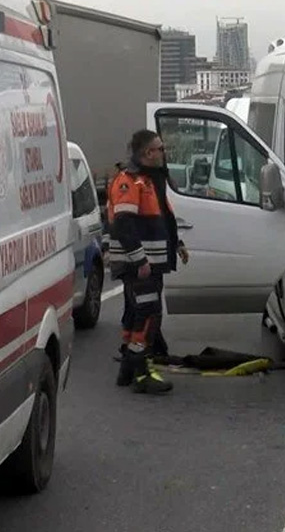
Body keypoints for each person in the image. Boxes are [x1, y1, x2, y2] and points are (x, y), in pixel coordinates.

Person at [107, 130, 189, 394]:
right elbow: (123, 224)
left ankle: (128, 370)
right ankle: (141, 371)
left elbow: (162, 218)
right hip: (139, 264)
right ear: (147, 153)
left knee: (137, 313)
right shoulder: (130, 181)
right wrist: (139, 259)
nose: (164, 153)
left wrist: (176, 244)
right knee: (148, 314)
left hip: (150, 262)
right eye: (160, 148)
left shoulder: (151, 180)